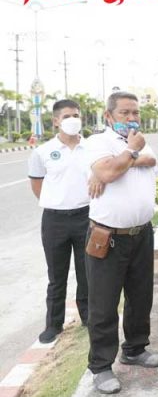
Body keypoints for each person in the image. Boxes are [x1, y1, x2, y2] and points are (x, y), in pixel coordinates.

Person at [84, 91, 158, 394]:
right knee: (104, 303)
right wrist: (128, 155)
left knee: (141, 296)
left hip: (141, 233)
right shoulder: (98, 142)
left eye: (135, 112)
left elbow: (151, 160)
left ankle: (135, 348)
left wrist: (124, 160)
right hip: (108, 236)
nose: (131, 118)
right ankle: (101, 366)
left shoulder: (138, 140)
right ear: (108, 116)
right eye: (124, 113)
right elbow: (106, 172)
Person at [28, 99, 93, 343]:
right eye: (66, 116)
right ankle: (54, 324)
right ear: (56, 121)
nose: (72, 120)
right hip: (55, 220)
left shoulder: (91, 148)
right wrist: (57, 202)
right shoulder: (43, 152)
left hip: (86, 216)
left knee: (87, 272)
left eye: (76, 115)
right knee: (57, 276)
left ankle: (88, 316)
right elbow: (37, 185)